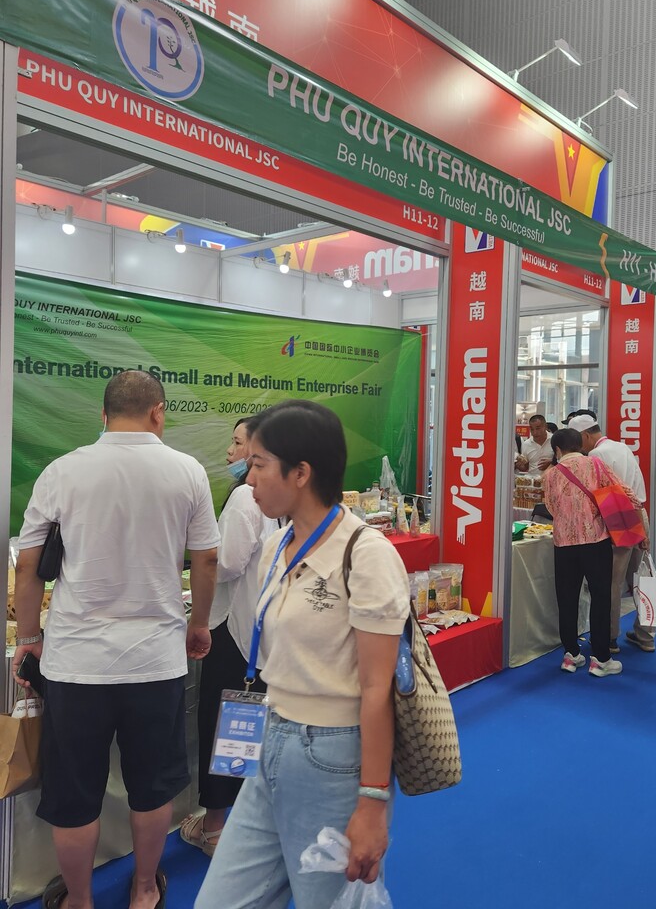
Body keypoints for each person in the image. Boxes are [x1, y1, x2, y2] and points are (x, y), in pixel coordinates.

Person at [11, 370, 219, 909]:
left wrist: (28, 637)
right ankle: (145, 889)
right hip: (156, 661)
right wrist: (199, 625)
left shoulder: (62, 471)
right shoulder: (188, 471)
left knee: (73, 793)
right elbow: (206, 559)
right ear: (158, 412)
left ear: (102, 415)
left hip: (75, 664)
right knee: (152, 786)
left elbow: (28, 566)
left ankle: (79, 900)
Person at [194, 400, 410, 909]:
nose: (248, 479)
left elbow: (377, 689)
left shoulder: (367, 555)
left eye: (258, 464)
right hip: (270, 738)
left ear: (301, 473)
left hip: (331, 754)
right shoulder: (278, 547)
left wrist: (372, 801)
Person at [181, 416, 279, 857]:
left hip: (233, 632)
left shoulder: (244, 496)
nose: (229, 451)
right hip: (258, 635)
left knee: (226, 727)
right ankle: (235, 820)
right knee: (245, 727)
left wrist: (198, 560)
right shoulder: (275, 497)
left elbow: (227, 564)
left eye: (238, 444)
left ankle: (215, 827)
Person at [543, 427, 637, 678]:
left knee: (567, 598)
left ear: (557, 450)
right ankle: (601, 659)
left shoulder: (550, 475)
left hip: (564, 544)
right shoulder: (595, 465)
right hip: (596, 541)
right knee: (600, 597)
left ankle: (571, 654)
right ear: (580, 444)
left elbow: (551, 507)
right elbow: (623, 492)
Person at [568, 414, 650, 654]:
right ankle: (646, 635)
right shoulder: (621, 446)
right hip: (639, 514)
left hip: (616, 517)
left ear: (585, 435)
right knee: (641, 578)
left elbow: (598, 493)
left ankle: (610, 637)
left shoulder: (596, 455)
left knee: (612, 582)